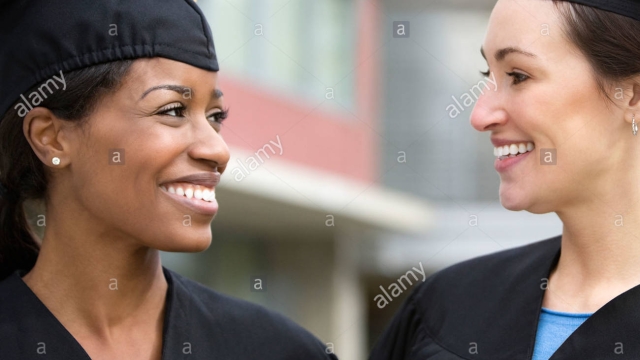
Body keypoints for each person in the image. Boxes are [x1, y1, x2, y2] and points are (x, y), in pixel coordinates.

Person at [0, 1, 338, 359]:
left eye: (215, 116)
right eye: (173, 111)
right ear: (51, 138)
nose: (218, 149)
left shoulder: (279, 351)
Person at [369, 0, 640, 359]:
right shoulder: (448, 307)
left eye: (518, 76)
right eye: (488, 77)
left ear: (632, 95)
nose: (480, 115)